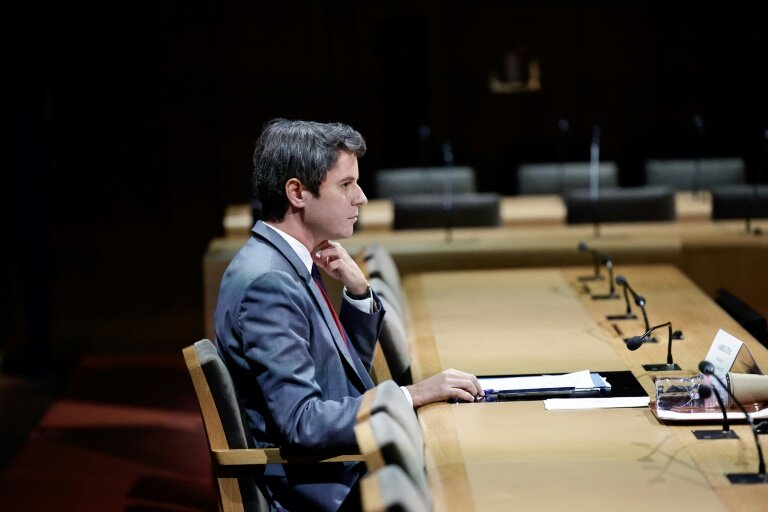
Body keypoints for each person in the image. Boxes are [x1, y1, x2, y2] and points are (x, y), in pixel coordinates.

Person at [215, 118, 483, 511]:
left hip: (337, 471)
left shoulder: (285, 260)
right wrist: (409, 395)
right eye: (346, 185)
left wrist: (357, 293)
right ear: (297, 192)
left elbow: (337, 380)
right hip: (321, 489)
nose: (361, 198)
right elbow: (302, 423)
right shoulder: (269, 282)